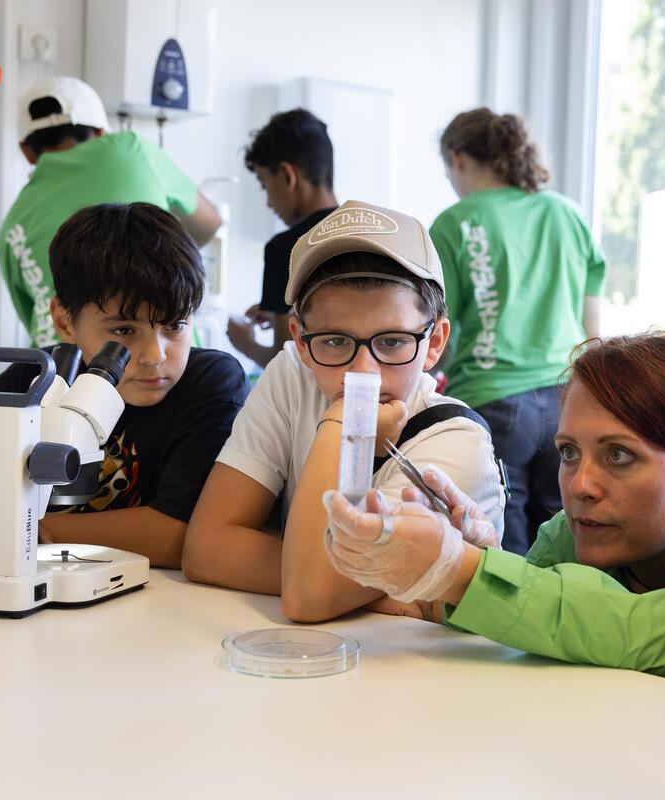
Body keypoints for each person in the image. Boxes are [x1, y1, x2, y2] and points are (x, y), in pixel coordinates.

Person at [323, 330, 665, 692]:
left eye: (619, 455)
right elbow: (532, 630)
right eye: (568, 452)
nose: (580, 485)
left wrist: (465, 573)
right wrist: (480, 561)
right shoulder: (574, 532)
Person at [182, 199, 507, 623]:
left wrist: (338, 423)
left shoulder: (456, 441)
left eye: (392, 342)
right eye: (335, 341)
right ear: (300, 339)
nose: (362, 374)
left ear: (435, 341)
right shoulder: (294, 373)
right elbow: (205, 546)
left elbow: (308, 595)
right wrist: (375, 593)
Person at [0, 203, 248, 568]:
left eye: (175, 325)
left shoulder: (210, 383)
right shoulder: (36, 378)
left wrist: (10, 530)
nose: (155, 354)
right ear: (64, 321)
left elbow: (174, 536)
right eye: (123, 331)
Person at [431, 108, 607, 555]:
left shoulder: (456, 222)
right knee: (565, 535)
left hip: (493, 403)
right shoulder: (568, 214)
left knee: (499, 546)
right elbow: (594, 330)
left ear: (457, 159)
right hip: (569, 398)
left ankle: (499, 628)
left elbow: (438, 330)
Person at [0, 76, 221, 348]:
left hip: (63, 377)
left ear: (26, 151)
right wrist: (164, 256)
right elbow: (208, 224)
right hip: (166, 365)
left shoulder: (11, 229)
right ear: (101, 133)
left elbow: (37, 315)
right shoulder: (131, 150)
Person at [226, 108, 339, 367]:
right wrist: (277, 306)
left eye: (265, 185)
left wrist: (245, 343)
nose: (268, 202)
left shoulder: (285, 248)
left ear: (288, 176)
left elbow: (285, 363)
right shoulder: (367, 233)